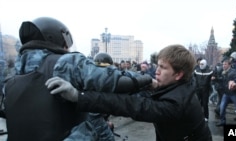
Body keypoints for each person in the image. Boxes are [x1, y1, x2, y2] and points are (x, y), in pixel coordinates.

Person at [3, 17, 154, 141]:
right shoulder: (65, 62)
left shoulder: (10, 81)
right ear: (55, 38)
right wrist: (147, 79)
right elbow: (116, 80)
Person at [46, 44, 213, 141]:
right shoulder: (178, 88)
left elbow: (130, 105)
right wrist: (147, 85)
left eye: (163, 68)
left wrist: (79, 97)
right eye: (158, 65)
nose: (157, 71)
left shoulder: (176, 104)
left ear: (178, 74)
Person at [215, 59, 236, 126]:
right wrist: (216, 79)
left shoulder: (233, 72)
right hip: (226, 93)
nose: (223, 66)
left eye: (225, 64)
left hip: (234, 94)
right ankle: (223, 121)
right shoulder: (224, 72)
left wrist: (234, 81)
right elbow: (222, 80)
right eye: (223, 64)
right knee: (222, 108)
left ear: (229, 65)